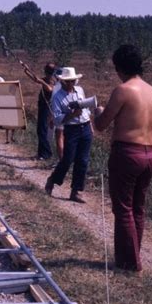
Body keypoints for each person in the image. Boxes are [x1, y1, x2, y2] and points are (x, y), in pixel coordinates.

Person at [94, 44, 152, 272]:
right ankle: (130, 258)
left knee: (123, 209)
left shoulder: (123, 90)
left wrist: (97, 111)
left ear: (119, 67)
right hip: (150, 153)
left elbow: (101, 125)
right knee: (137, 208)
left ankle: (130, 263)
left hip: (128, 153)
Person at [45, 67, 93, 203]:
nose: (72, 83)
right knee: (67, 159)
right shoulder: (57, 97)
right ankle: (53, 179)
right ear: (63, 82)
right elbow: (57, 119)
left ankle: (76, 191)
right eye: (68, 81)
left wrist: (90, 125)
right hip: (72, 129)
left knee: (83, 160)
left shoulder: (80, 91)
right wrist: (72, 115)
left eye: (73, 80)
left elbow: (86, 110)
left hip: (85, 127)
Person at [23, 62, 56, 159]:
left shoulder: (53, 81)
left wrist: (42, 82)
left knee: (42, 131)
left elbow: (50, 89)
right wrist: (27, 70)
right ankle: (41, 154)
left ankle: (47, 153)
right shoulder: (46, 79)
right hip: (42, 107)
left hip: (46, 108)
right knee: (40, 131)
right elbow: (35, 79)